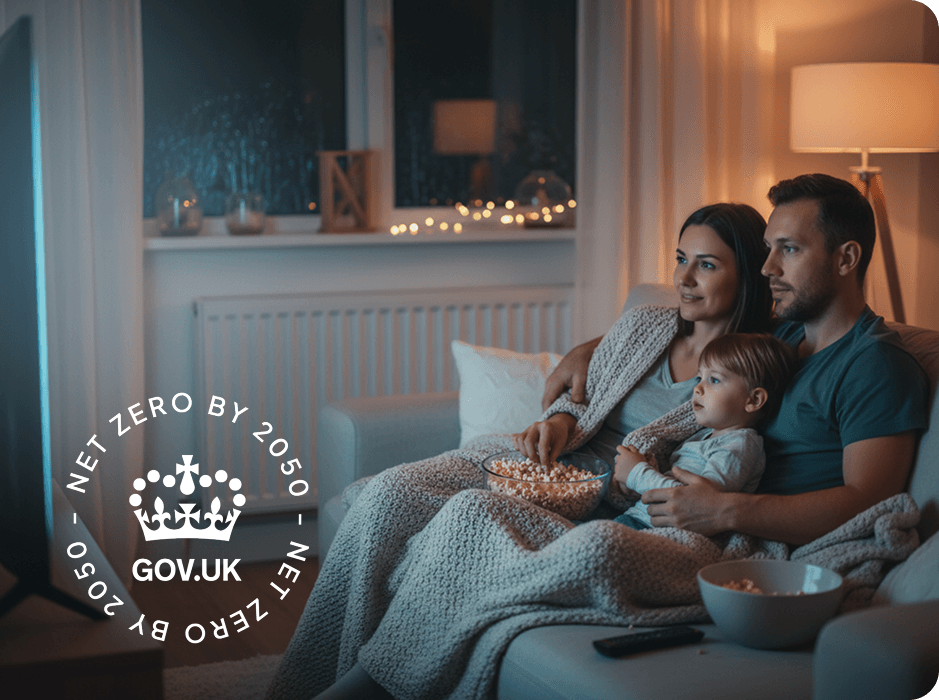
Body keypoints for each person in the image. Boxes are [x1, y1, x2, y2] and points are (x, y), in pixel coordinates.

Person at [267, 202, 775, 700]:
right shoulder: (643, 324)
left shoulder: (749, 370)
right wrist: (557, 420)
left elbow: (706, 472)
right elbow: (586, 400)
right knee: (390, 492)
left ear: (748, 274)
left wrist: (636, 472)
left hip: (603, 499)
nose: (685, 278)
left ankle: (368, 683)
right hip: (547, 462)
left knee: (469, 515)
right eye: (681, 259)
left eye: (707, 265)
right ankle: (306, 681)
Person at [543, 173, 929, 546]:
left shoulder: (876, 366)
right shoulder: (780, 336)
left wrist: (726, 511)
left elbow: (869, 503)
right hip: (679, 516)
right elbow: (677, 328)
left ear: (846, 258)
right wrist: (587, 352)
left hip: (741, 538)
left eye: (789, 249)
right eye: (769, 249)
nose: (767, 268)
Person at [611, 332, 796, 530]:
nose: (697, 388)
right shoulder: (702, 436)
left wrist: (637, 474)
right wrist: (650, 470)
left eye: (714, 380)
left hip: (663, 532)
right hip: (639, 520)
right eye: (700, 377)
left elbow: (698, 504)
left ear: (753, 400)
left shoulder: (740, 445)